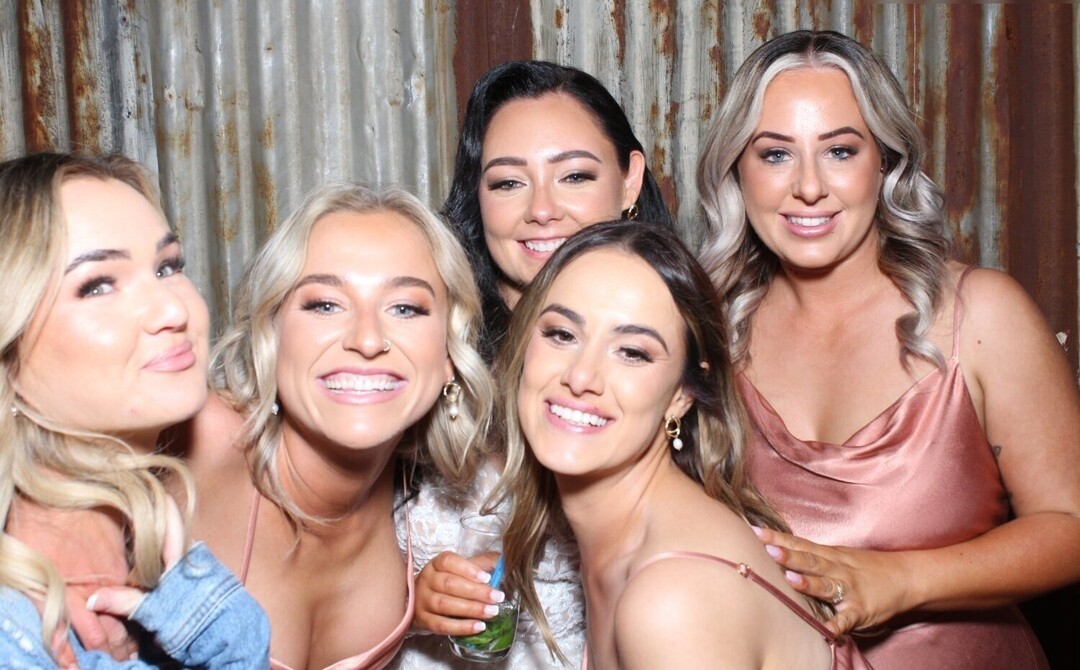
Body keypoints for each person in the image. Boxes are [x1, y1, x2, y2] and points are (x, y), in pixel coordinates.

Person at [696, 29, 1080, 669]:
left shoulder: (979, 315)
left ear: (887, 162)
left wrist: (901, 580)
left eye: (840, 150)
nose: (809, 187)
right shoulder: (704, 329)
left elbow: (1071, 524)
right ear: (737, 170)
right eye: (775, 154)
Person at [494, 220, 869, 669]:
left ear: (682, 394)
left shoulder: (673, 599)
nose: (580, 376)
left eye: (632, 352)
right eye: (562, 334)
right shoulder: (630, 540)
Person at [399, 60, 675, 669]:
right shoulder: (425, 339)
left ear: (629, 181)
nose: (542, 210)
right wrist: (406, 603)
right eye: (507, 183)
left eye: (574, 176)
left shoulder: (675, 346)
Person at [181, 183, 493, 670]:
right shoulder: (198, 439)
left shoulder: (413, 500)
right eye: (325, 305)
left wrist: (418, 611)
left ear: (449, 355)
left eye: (405, 308)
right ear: (271, 331)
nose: (367, 340)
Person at [0, 152, 269, 667]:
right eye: (98, 284)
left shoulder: (158, 569)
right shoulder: (16, 636)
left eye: (168, 266)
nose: (174, 309)